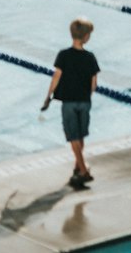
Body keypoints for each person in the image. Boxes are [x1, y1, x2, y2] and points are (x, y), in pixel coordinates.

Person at [41, 17, 99, 189]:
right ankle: (77, 168)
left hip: (68, 103)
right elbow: (94, 83)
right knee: (80, 135)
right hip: (84, 101)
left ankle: (83, 170)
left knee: (73, 137)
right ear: (87, 36)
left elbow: (56, 78)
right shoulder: (90, 57)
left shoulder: (63, 55)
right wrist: (86, 95)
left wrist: (48, 96)